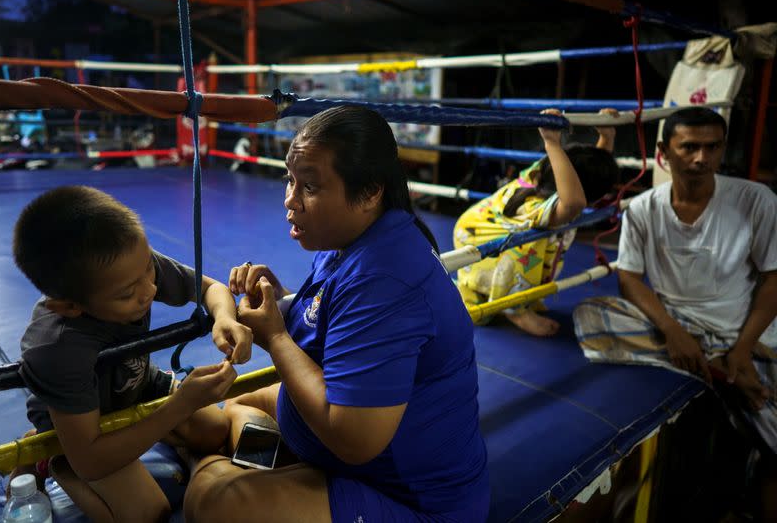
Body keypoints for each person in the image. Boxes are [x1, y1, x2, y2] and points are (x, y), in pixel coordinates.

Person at [183, 105, 490, 522]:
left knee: (211, 497)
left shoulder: (385, 278)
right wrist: (281, 300)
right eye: (290, 180)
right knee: (236, 404)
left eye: (309, 186)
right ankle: (274, 466)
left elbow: (354, 440)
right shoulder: (356, 237)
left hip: (408, 499)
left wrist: (275, 338)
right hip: (348, 456)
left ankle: (245, 469)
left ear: (369, 192)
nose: (290, 199)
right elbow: (333, 321)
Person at [572, 106, 777, 519]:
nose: (702, 158)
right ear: (665, 152)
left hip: (744, 330)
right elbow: (628, 276)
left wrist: (741, 348)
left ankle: (725, 366)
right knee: (591, 316)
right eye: (690, 148)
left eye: (712, 147)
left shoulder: (755, 200)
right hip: (679, 328)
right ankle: (717, 367)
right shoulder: (644, 208)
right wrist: (671, 330)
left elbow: (774, 279)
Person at [12, 185, 252, 523]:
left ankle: (148, 435)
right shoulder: (56, 349)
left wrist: (225, 319)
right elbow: (92, 459)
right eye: (128, 293)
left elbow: (212, 288)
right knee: (146, 513)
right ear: (69, 306)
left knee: (214, 430)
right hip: (81, 427)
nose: (150, 290)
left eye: (148, 270)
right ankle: (52, 460)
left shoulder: (130, 267)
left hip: (134, 383)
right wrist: (180, 406)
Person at [453, 108, 620, 336]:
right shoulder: (544, 207)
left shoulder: (545, 173)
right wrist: (552, 142)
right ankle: (514, 309)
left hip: (476, 226)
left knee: (534, 243)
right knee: (527, 248)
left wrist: (606, 137)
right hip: (476, 238)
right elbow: (576, 200)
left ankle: (500, 291)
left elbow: (587, 176)